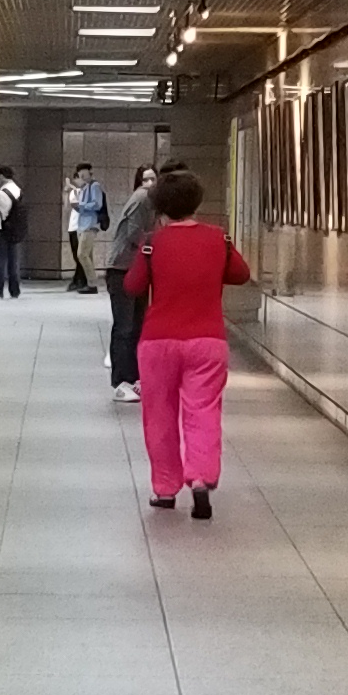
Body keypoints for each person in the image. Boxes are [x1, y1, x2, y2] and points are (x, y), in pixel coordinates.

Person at [122, 170, 251, 518]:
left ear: (160, 206)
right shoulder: (218, 239)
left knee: (159, 415)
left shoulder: (152, 243)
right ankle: (201, 480)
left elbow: (133, 286)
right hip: (207, 340)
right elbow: (241, 274)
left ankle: (165, 489)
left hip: (158, 342)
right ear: (197, 201)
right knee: (203, 410)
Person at [103, 166, 164, 401]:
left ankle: (134, 377)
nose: (149, 183)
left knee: (137, 326)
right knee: (125, 327)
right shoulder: (143, 199)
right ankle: (121, 381)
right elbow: (134, 233)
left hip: (135, 268)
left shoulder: (151, 202)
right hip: (122, 269)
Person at [62, 165, 106, 292]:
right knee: (86, 255)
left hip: (89, 225)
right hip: (83, 225)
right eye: (80, 175)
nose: (81, 177)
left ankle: (91, 283)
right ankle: (90, 282)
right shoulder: (86, 187)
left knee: (82, 254)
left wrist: (81, 206)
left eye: (83, 175)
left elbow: (97, 204)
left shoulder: (94, 186)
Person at [0, 166, 26, 297]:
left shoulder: (0, 194)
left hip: (0, 228)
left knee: (0, 260)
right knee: (13, 260)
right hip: (14, 228)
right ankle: (15, 290)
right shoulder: (19, 190)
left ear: (2, 176)